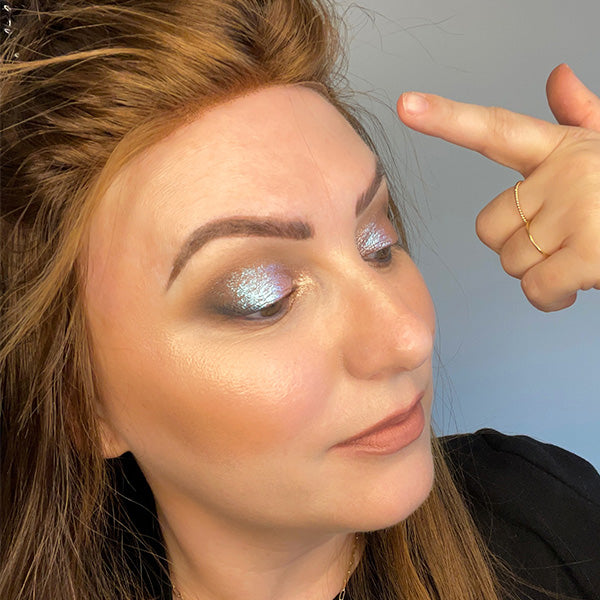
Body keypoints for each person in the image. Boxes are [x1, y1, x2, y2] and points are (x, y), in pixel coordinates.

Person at [1, 2, 598, 600]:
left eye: (377, 243)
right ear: (81, 402)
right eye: (263, 297)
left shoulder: (545, 523)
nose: (407, 336)